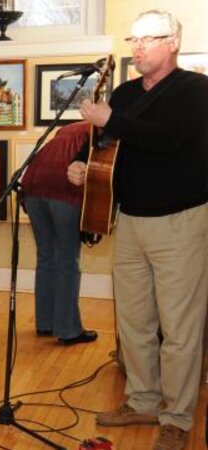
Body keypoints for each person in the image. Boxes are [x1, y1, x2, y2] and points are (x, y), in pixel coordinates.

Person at [68, 10, 208, 450]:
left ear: (174, 42)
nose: (140, 47)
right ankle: (143, 399)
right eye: (135, 39)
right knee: (134, 322)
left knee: (180, 327)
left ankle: (177, 418)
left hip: (181, 222)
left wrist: (111, 121)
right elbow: (112, 150)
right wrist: (85, 166)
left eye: (151, 38)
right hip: (129, 220)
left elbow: (171, 138)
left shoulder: (197, 91)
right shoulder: (126, 93)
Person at [21, 121, 98, 345]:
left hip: (33, 187)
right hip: (64, 189)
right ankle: (68, 330)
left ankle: (45, 323)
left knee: (46, 256)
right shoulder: (100, 130)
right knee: (67, 260)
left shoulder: (68, 129)